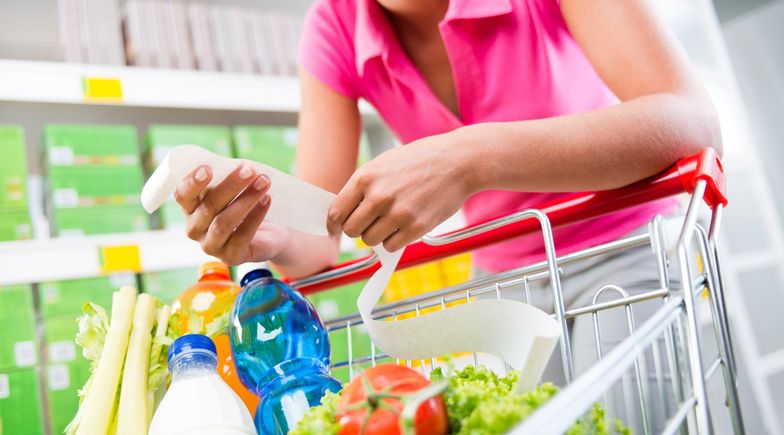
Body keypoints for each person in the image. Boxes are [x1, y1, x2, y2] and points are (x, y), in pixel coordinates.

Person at [173, 0, 719, 282]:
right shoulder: (334, 26)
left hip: (630, 250)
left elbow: (691, 121)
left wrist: (471, 158)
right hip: (503, 282)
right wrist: (266, 235)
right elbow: (320, 234)